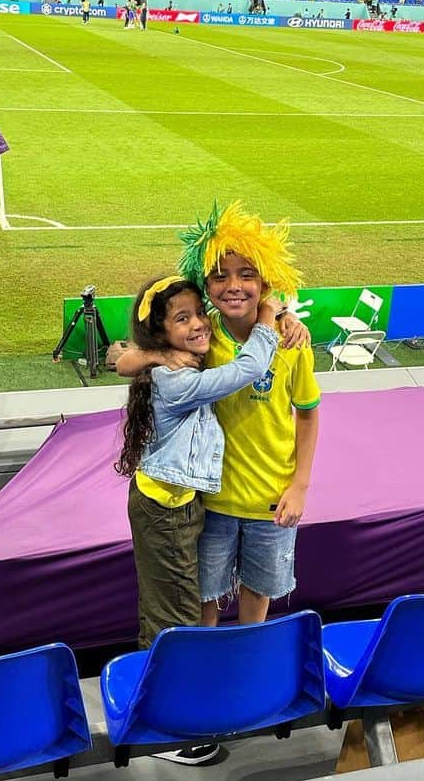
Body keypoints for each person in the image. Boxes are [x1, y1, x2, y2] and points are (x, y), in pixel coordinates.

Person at [118, 201, 319, 628]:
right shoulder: (200, 337)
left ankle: (245, 667)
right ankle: (204, 670)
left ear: (266, 280)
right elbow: (124, 358)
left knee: (256, 594)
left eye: (248, 275)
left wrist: (300, 484)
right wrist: (162, 353)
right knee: (203, 598)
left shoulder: (291, 342)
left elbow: (307, 413)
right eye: (220, 275)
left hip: (272, 499)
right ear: (205, 283)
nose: (234, 286)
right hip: (210, 499)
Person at [116, 275, 280, 653]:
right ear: (160, 333)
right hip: (166, 511)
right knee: (177, 617)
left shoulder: (175, 365)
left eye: (198, 313)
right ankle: (167, 699)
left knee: (168, 608)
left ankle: (163, 691)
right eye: (181, 319)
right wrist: (268, 317)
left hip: (175, 504)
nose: (197, 324)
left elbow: (126, 357)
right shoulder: (176, 381)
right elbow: (248, 369)